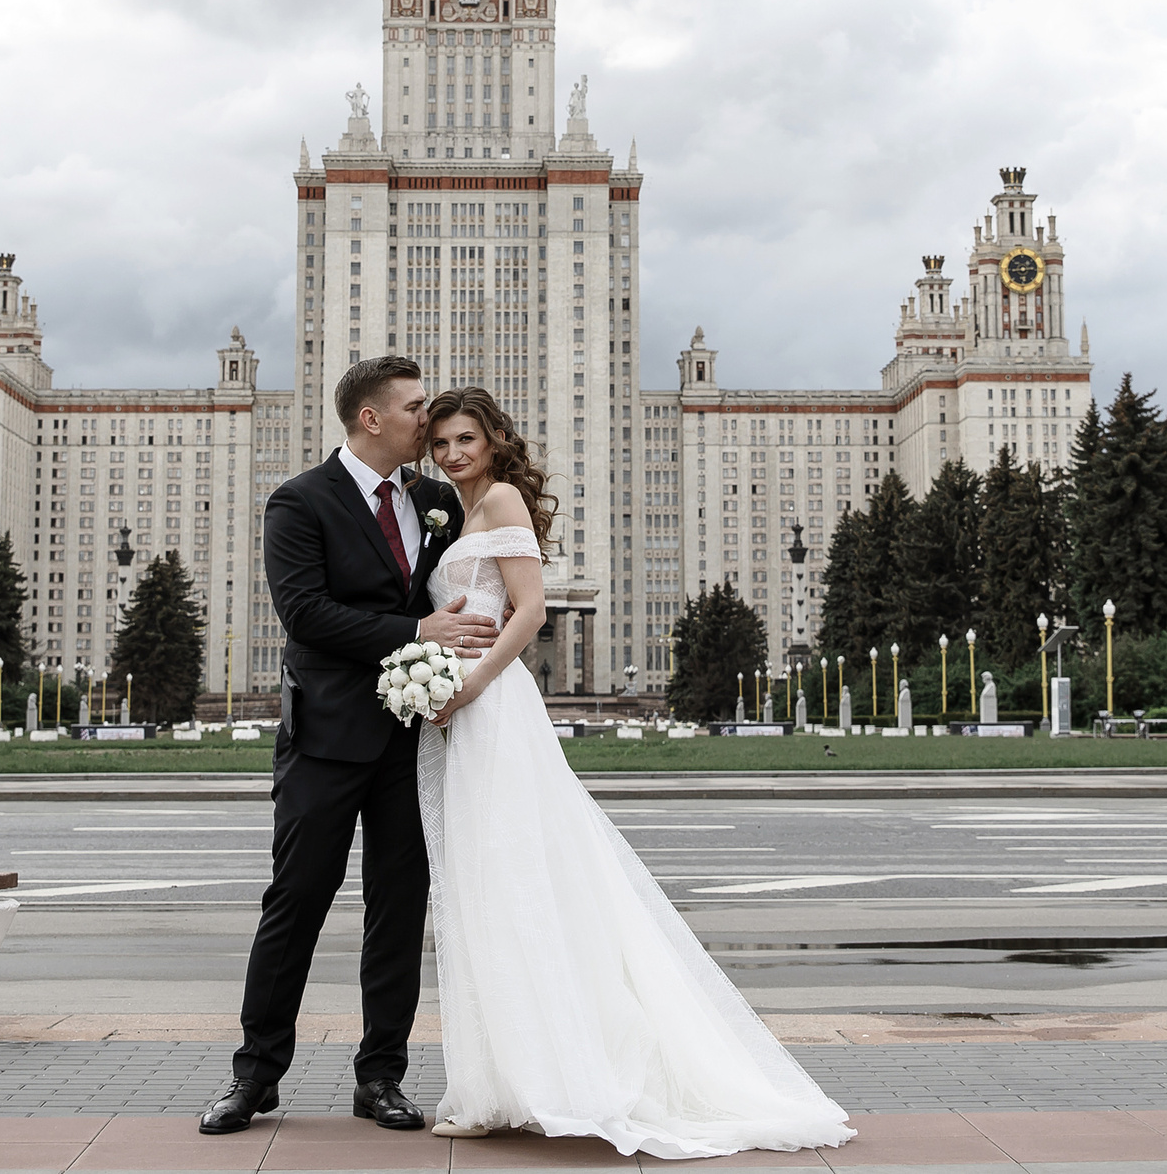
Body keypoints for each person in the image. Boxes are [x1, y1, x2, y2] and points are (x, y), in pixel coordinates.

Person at [414, 386, 854, 1159]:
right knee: (483, 886)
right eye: (442, 441)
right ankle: (498, 1081)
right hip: (464, 710)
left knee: (515, 877)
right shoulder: (455, 509)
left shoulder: (505, 499)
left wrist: (470, 682)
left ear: (493, 440)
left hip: (493, 707)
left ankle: (549, 1076)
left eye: (465, 439)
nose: (452, 452)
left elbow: (530, 611)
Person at [199, 356, 494, 1136]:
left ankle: (381, 1076)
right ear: (370, 418)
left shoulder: (435, 499)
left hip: (412, 740)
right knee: (295, 904)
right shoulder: (299, 501)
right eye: (413, 408)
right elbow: (306, 614)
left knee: (398, 912)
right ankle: (254, 1075)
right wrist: (416, 631)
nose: (426, 422)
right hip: (326, 738)